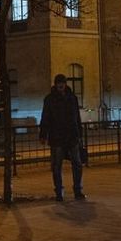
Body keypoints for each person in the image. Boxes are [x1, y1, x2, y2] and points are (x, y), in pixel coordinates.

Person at [40, 73, 84, 202]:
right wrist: (43, 134)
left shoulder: (72, 98)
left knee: (77, 163)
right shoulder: (50, 99)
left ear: (65, 84)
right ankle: (59, 191)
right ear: (56, 84)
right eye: (59, 83)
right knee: (57, 165)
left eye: (62, 83)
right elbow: (45, 117)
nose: (61, 85)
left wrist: (79, 134)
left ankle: (77, 190)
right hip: (57, 136)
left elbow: (77, 118)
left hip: (71, 135)